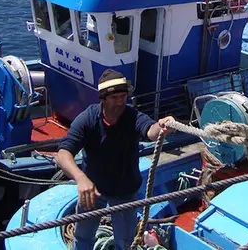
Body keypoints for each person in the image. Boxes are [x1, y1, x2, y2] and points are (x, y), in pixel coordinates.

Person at [56, 69, 174, 250]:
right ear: (102, 98)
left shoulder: (132, 116)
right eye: (115, 97)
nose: (120, 102)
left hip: (125, 192)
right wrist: (81, 179)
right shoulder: (88, 118)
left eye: (123, 96)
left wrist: (162, 125)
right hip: (93, 191)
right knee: (82, 237)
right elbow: (63, 154)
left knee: (125, 243)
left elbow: (150, 131)